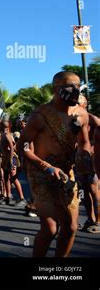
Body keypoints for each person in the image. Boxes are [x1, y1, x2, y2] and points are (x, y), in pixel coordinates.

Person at [17, 71, 89, 257]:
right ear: (56, 88)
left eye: (78, 85)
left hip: (66, 174)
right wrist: (45, 166)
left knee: (71, 226)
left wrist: (85, 157)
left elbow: (84, 143)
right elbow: (22, 146)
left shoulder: (81, 114)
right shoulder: (40, 115)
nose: (75, 90)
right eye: (69, 86)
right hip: (41, 175)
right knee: (50, 229)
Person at [76, 94, 99, 233]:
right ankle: (90, 218)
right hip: (79, 159)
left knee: (94, 190)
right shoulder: (74, 120)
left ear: (85, 103)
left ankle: (99, 220)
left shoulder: (91, 118)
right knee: (83, 191)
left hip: (91, 159)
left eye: (79, 101)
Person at [0, 119, 26, 207]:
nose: (3, 127)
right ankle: (8, 197)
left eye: (5, 126)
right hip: (6, 157)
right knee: (6, 177)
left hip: (11, 158)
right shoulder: (3, 134)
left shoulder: (7, 135)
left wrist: (11, 160)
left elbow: (12, 147)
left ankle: (22, 198)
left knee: (13, 177)